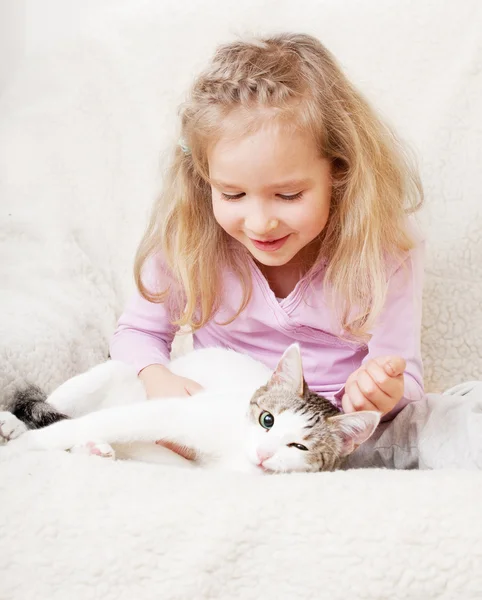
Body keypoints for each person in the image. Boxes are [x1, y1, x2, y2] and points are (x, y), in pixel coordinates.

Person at [110, 32, 425, 425]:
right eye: (233, 194)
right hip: (224, 418)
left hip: (329, 430)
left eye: (289, 195)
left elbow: (406, 379)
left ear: (339, 172)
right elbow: (136, 334)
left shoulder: (380, 250)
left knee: (448, 418)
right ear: (203, 178)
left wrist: (380, 394)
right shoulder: (190, 237)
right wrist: (156, 377)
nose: (260, 223)